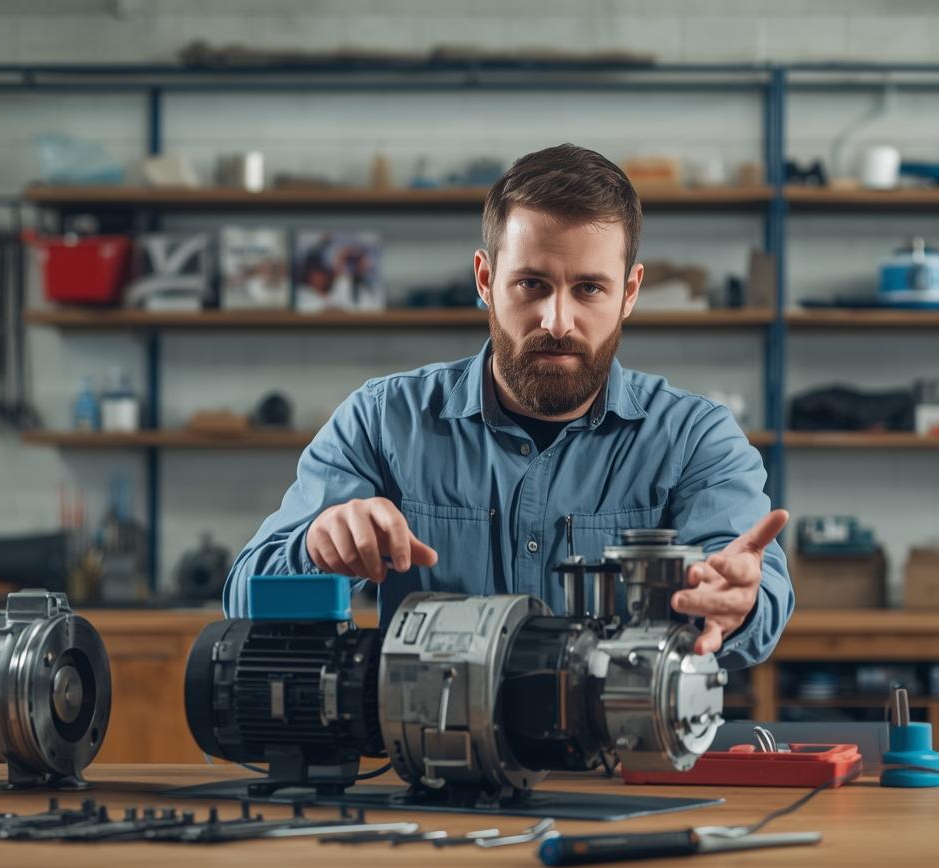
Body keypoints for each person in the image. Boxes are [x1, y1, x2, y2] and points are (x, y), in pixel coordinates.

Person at [225, 143, 792, 669]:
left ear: (629, 293)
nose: (557, 322)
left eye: (589, 288)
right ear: (485, 279)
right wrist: (316, 549)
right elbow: (244, 595)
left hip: (623, 746)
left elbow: (757, 595)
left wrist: (737, 601)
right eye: (531, 284)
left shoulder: (695, 438)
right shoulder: (382, 421)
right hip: (432, 743)